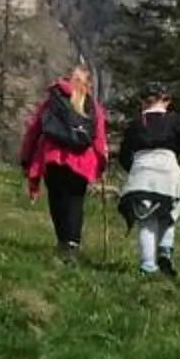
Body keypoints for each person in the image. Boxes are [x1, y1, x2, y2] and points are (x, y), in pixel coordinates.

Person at [112, 86, 180, 280]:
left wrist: (134, 171)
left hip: (141, 173)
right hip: (168, 172)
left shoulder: (135, 123)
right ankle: (165, 249)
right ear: (166, 101)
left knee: (146, 221)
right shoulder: (174, 120)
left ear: (143, 102)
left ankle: (147, 266)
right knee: (168, 213)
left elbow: (123, 155)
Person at [18, 64, 106, 258]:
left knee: (57, 200)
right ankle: (72, 244)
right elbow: (98, 138)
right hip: (82, 162)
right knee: (75, 201)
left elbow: (34, 128)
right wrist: (102, 162)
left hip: (53, 158)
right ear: (88, 83)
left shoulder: (53, 100)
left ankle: (62, 242)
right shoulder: (93, 106)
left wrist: (26, 158)